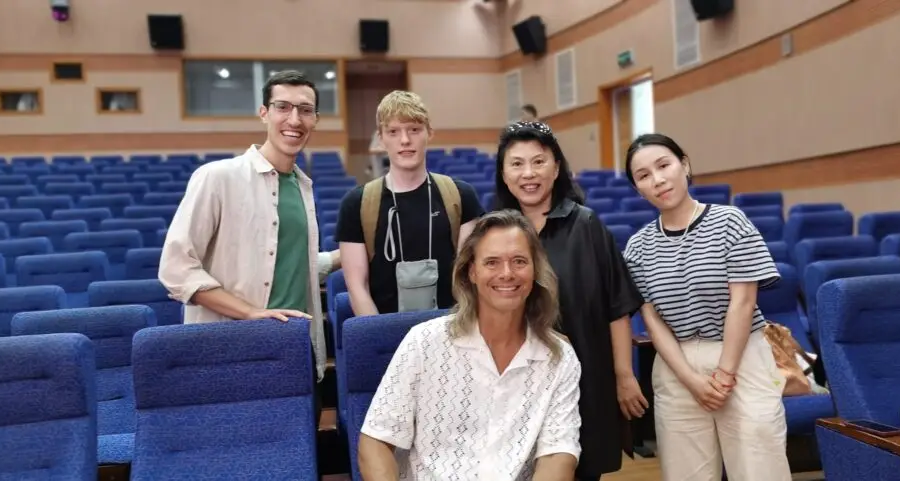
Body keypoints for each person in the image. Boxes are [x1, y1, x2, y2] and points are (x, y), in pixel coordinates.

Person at [358, 209, 582, 480]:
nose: (507, 273)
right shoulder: (423, 343)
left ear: (535, 270)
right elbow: (376, 441)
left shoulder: (560, 358)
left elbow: (558, 455)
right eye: (492, 263)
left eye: (519, 261)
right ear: (472, 272)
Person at [621, 133, 790, 481]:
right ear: (638, 189)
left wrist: (724, 375)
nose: (658, 180)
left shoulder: (731, 222)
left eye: (664, 165)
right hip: (676, 366)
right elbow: (652, 322)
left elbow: (743, 302)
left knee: (760, 470)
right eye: (644, 176)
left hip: (741, 357)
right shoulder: (637, 248)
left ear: (684, 164)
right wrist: (690, 379)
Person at [159, 70, 334, 387]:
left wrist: (341, 257)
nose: (294, 119)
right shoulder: (217, 177)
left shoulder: (302, 187)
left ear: (315, 119)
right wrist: (251, 312)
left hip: (293, 348)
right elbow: (176, 270)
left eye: (305, 110)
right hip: (231, 349)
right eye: (283, 107)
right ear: (264, 113)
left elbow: (286, 264)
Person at [492, 121, 647, 481]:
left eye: (538, 162)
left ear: (557, 167)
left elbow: (616, 308)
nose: (528, 174)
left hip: (585, 379)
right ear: (503, 173)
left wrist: (624, 376)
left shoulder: (586, 225)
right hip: (516, 384)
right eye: (516, 164)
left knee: (583, 467)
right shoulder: (494, 231)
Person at [335, 90, 485, 316]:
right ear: (381, 138)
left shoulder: (460, 195)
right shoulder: (356, 203)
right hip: (386, 333)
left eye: (414, 130)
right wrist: (381, 338)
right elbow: (358, 288)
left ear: (429, 133)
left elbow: (470, 278)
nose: (405, 140)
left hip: (451, 327)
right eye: (393, 132)